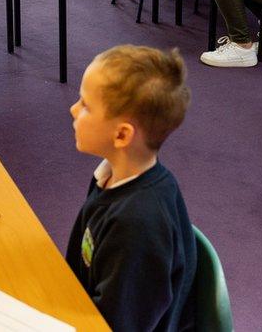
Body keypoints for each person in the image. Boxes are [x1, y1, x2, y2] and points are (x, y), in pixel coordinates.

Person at [66, 45, 196, 331]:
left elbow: (119, 324)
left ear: (122, 134)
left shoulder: (137, 225)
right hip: (78, 302)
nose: (73, 109)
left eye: (85, 105)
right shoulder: (109, 176)